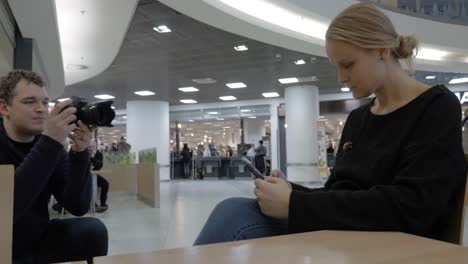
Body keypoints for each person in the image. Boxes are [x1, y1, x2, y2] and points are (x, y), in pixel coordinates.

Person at [193, 3, 466, 246]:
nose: (341, 78)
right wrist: (291, 192)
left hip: (400, 241)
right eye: (337, 67)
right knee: (232, 209)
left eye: (348, 65)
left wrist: (295, 204)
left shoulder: (437, 107)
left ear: (382, 51)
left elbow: (413, 205)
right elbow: (339, 193)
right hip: (349, 231)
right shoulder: (359, 118)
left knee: (235, 217)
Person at [0, 70, 108, 263]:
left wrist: (79, 153)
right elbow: (5, 212)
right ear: (4, 107)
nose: (41, 109)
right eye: (29, 101)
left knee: (94, 230)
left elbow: (77, 206)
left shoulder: (51, 148)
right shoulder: (48, 145)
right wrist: (50, 142)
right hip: (2, 240)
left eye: (44, 102)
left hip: (36, 237)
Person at [89, 141, 110, 213]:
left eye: (93, 147)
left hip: (94, 175)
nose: (91, 149)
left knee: (105, 184)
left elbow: (99, 167)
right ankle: (90, 204)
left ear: (96, 147)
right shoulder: (84, 153)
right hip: (84, 176)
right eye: (89, 147)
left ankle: (103, 204)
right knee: (87, 186)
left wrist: (92, 157)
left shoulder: (99, 154)